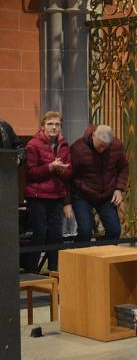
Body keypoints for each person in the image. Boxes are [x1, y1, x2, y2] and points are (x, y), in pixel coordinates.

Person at [22, 111, 72, 272]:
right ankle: (31, 271)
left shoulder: (63, 145)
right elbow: (30, 173)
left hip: (57, 195)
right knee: (40, 234)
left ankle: (53, 271)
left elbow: (70, 172)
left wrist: (63, 170)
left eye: (57, 124)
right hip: (37, 196)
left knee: (56, 235)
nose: (54, 127)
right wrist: (51, 167)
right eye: (50, 124)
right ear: (43, 126)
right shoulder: (33, 145)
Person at [69, 124, 128, 242]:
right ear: (93, 136)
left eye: (105, 147)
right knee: (85, 231)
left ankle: (102, 257)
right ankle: (80, 256)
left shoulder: (117, 146)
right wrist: (67, 202)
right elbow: (69, 176)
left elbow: (124, 167)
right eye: (99, 146)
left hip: (106, 195)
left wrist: (119, 189)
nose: (102, 150)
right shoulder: (78, 148)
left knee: (114, 230)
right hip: (82, 195)